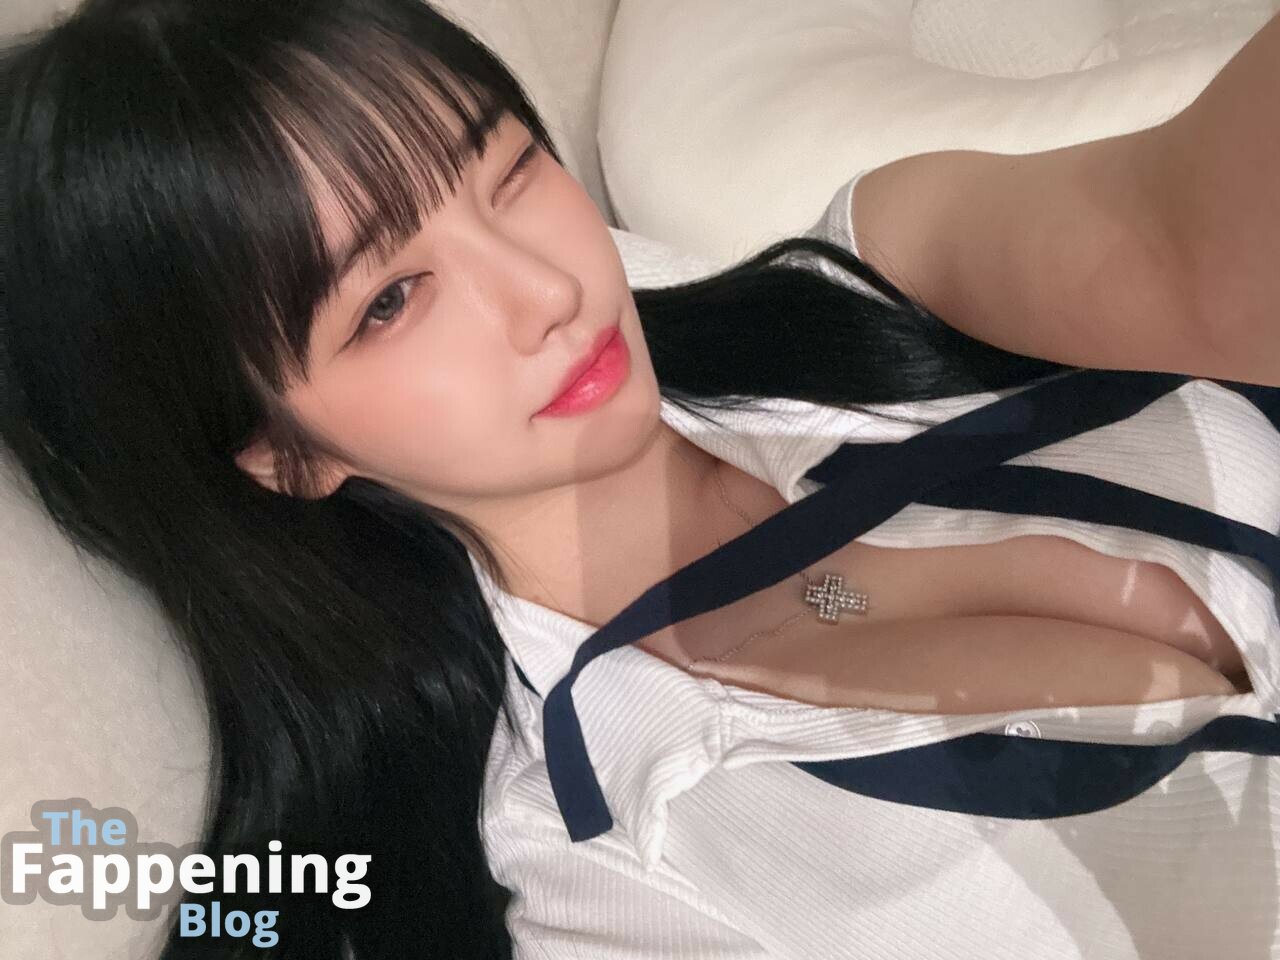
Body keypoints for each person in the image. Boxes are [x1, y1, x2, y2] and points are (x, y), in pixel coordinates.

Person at [2, 0, 1278, 957]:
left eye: (509, 170)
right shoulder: (615, 876)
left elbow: (1186, 246)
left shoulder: (873, 276)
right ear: (284, 454)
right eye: (389, 300)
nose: (545, 290)